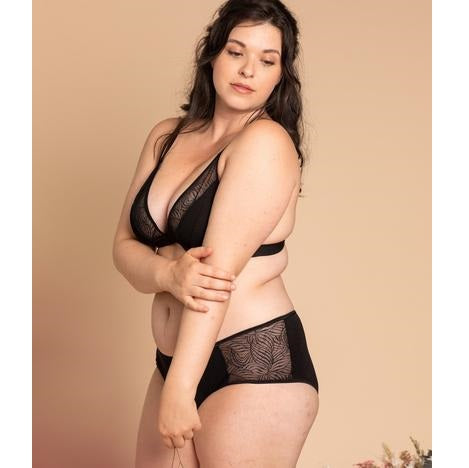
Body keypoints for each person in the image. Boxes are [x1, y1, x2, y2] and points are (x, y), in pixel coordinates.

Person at [112, 0, 320, 466]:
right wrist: (167, 275)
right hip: (174, 363)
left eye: (267, 60)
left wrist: (181, 387)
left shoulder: (265, 142)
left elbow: (214, 278)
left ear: (281, 75)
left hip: (251, 365)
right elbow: (122, 247)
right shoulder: (166, 136)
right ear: (212, 54)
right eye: (236, 52)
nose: (248, 70)